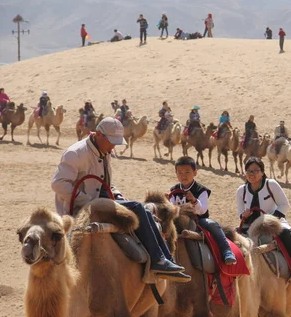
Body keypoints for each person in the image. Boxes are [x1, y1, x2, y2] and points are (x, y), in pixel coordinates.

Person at [51, 117, 189, 281]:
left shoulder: (104, 151)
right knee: (137, 207)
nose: (114, 146)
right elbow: (58, 184)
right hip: (80, 208)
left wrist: (117, 195)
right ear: (99, 135)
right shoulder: (76, 153)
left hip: (100, 202)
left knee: (144, 211)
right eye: (112, 141)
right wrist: (87, 200)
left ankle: (166, 259)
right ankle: (159, 260)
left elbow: (106, 183)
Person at [236, 157, 291, 285]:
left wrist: (271, 219)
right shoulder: (241, 190)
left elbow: (284, 204)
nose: (251, 174)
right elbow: (240, 213)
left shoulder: (271, 184)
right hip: (250, 225)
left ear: (262, 172)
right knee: (233, 241)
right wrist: (244, 214)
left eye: (255, 171)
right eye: (248, 171)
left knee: (288, 237)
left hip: (274, 222)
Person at [170, 156, 237, 265]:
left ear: (195, 172)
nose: (183, 176)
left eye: (187, 172)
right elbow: (173, 207)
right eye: (180, 173)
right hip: (179, 221)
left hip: (198, 219)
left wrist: (194, 200)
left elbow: (202, 210)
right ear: (176, 173)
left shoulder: (201, 190)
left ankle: (226, 251)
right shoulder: (174, 190)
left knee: (212, 224)